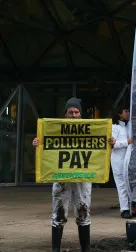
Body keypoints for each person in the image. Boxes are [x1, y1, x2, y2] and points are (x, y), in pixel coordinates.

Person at [32, 98, 91, 252]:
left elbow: (100, 146)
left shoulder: (90, 130)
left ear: (80, 114)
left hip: (82, 178)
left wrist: (110, 142)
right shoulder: (55, 130)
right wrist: (38, 144)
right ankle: (55, 249)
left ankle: (86, 249)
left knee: (83, 212)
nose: (73, 115)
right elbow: (47, 145)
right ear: (65, 114)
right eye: (70, 112)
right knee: (59, 213)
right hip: (61, 177)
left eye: (76, 112)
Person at [109, 107, 135, 219]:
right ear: (119, 114)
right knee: (122, 185)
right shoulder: (114, 127)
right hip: (118, 160)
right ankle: (124, 209)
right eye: (126, 111)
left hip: (127, 159)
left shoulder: (128, 126)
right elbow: (113, 144)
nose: (128, 113)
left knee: (129, 184)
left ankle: (130, 208)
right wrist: (127, 142)